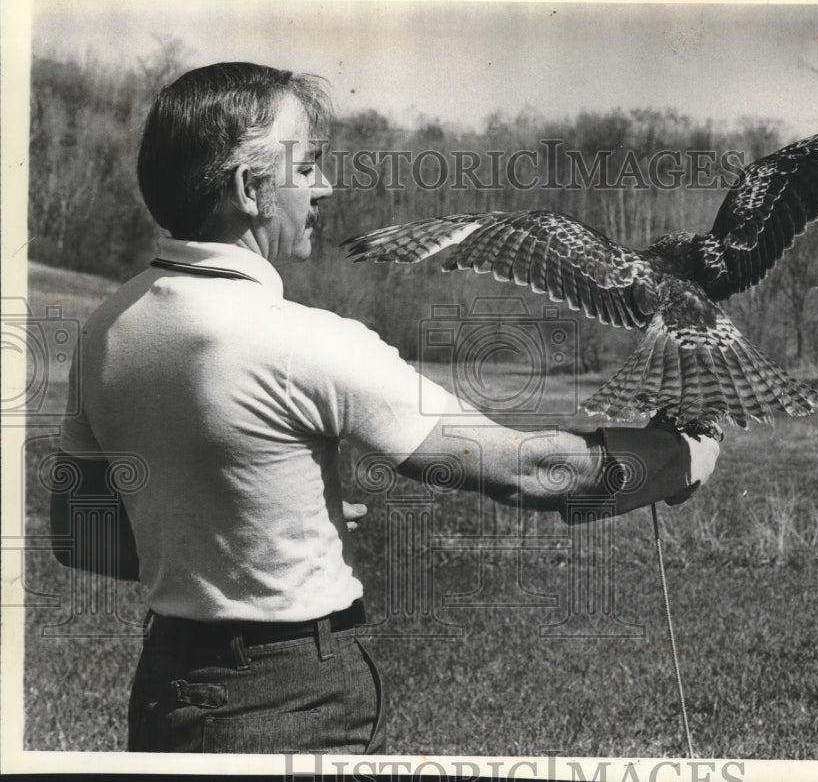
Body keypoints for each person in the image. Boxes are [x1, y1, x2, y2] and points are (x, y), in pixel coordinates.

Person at [49, 61, 720, 754]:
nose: (325, 187)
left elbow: (80, 538)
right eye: (306, 167)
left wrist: (250, 538)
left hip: (166, 689)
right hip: (286, 699)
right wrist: (679, 459)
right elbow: (531, 471)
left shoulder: (106, 327)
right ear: (252, 189)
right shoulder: (304, 342)